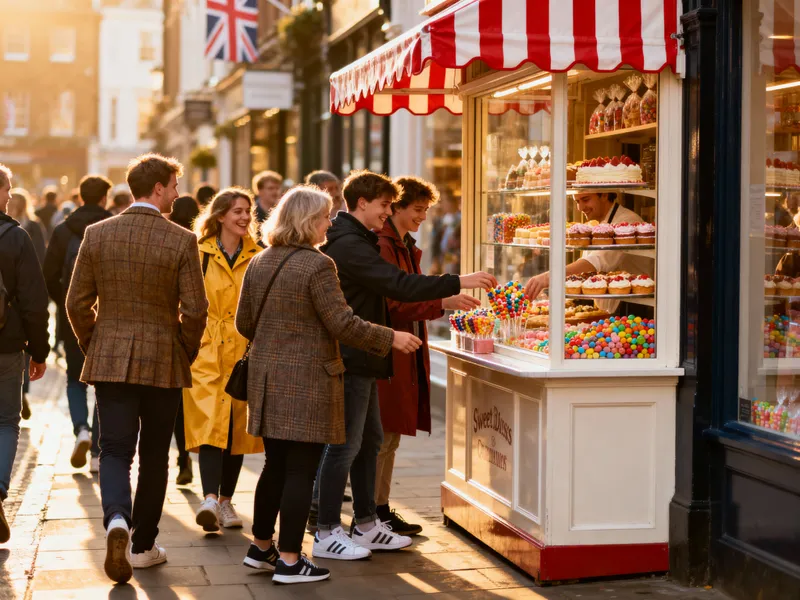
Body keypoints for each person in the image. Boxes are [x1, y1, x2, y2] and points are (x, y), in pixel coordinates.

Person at [236, 185, 420, 584]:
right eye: (324, 217)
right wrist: (390, 337)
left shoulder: (260, 261)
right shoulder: (318, 265)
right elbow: (342, 323)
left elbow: (244, 323)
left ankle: (260, 547)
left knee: (275, 466)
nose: (329, 223)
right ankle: (288, 560)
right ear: (306, 221)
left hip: (267, 380)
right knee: (301, 470)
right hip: (307, 381)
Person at [312, 170, 496, 561]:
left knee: (371, 441)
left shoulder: (359, 239)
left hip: (369, 355)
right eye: (383, 205)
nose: (387, 212)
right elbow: (397, 285)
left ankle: (365, 523)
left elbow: (393, 288)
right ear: (362, 203)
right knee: (344, 447)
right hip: (353, 355)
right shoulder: (350, 244)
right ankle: (325, 530)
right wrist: (456, 282)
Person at [66, 153, 208, 584]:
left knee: (113, 450)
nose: (179, 193)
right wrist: (183, 349)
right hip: (163, 358)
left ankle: (115, 522)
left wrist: (96, 343)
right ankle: (143, 546)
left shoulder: (97, 233)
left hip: (110, 359)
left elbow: (76, 303)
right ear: (159, 189)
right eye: (175, 185)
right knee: (154, 457)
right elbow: (196, 309)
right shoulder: (181, 239)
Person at [375, 176, 479, 536]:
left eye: (425, 210)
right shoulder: (385, 245)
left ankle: (378, 508)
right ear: (396, 207)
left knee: (389, 437)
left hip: (401, 348)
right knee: (381, 437)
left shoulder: (402, 243)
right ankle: (372, 512)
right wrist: (443, 300)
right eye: (417, 210)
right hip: (387, 349)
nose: (422, 217)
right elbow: (396, 301)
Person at [184, 187, 264, 533]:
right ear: (219, 217)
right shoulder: (198, 253)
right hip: (207, 350)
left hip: (245, 350)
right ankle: (210, 499)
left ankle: (227, 502)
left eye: (248, 211)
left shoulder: (259, 255)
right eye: (237, 212)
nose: (245, 217)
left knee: (237, 430)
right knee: (209, 425)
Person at [43, 175, 113, 474]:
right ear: (104, 198)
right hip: (108, 315)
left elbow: (48, 273)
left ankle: (80, 429)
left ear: (82, 196)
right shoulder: (113, 226)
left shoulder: (63, 230)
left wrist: (64, 305)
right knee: (104, 384)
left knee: (75, 377)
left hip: (73, 315)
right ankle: (98, 451)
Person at [0, 163, 49, 544]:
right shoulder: (15, 238)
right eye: (8, 189)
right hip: (5, 343)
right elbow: (34, 300)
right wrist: (39, 349)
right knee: (4, 421)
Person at [524, 192, 654, 312]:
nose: (580, 208)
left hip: (631, 307)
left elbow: (595, 262)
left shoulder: (626, 222)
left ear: (604, 195)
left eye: (585, 200)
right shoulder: (595, 225)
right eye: (577, 201)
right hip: (607, 308)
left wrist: (549, 277)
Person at [168, 194, 201, 486]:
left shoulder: (170, 240)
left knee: (178, 406)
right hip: (200, 334)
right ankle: (189, 454)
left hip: (175, 334)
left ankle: (183, 458)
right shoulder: (197, 243)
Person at [7, 188, 47, 422]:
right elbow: (40, 259)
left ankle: (21, 393)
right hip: (21, 301)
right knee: (21, 347)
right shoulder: (28, 228)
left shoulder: (27, 227)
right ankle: (21, 392)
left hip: (13, 301)